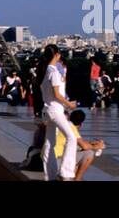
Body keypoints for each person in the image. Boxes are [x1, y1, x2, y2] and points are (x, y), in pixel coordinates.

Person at [38, 45, 81, 181]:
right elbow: (57, 94)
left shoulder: (46, 71)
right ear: (57, 55)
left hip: (48, 110)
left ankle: (49, 175)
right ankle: (66, 172)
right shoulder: (54, 72)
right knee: (71, 137)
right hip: (56, 110)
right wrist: (70, 105)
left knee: (50, 143)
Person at [53, 109, 106, 181]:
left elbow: (79, 143)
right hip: (57, 161)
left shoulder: (63, 124)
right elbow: (84, 146)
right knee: (89, 153)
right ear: (81, 124)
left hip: (50, 159)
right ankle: (77, 179)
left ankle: (71, 176)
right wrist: (97, 146)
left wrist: (91, 143)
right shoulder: (71, 127)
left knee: (77, 153)